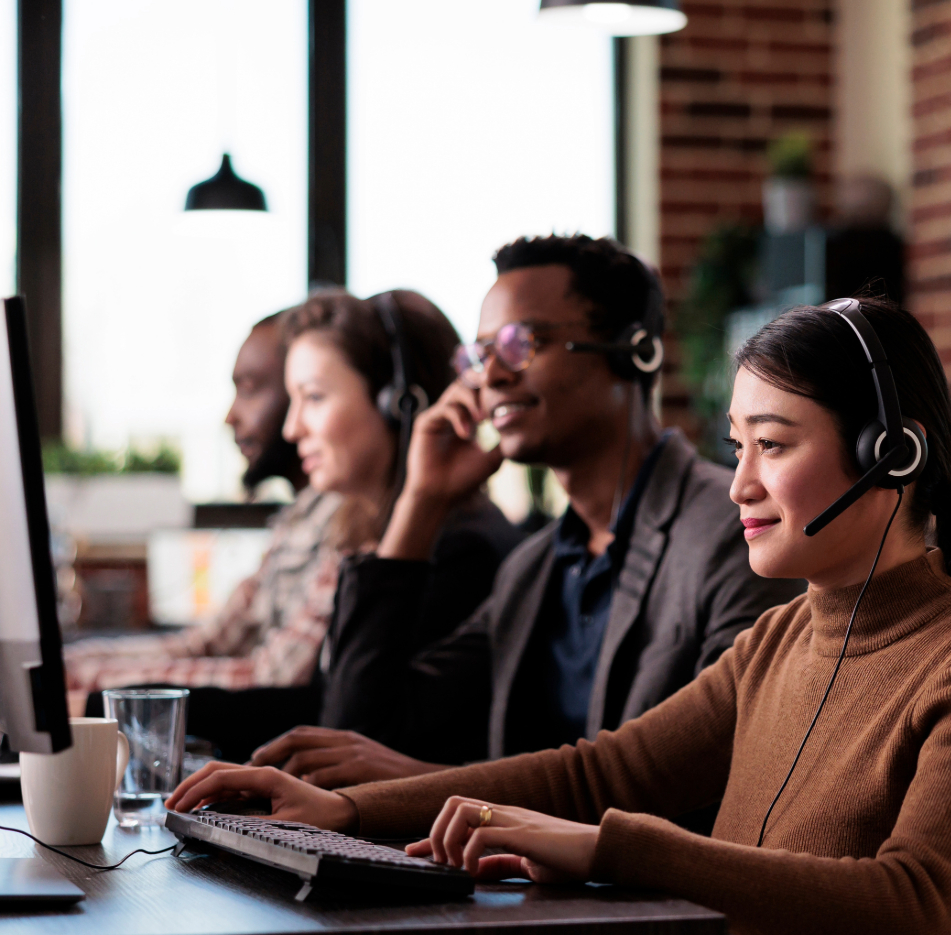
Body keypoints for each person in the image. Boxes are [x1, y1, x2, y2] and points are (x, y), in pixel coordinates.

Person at [172, 296, 951, 935]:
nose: (742, 484)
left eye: (775, 446)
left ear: (889, 454)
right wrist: (345, 810)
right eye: (737, 447)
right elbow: (605, 768)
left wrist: (616, 848)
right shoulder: (780, 640)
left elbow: (909, 915)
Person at [252, 235, 802, 792]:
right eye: (480, 354)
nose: (491, 377)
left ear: (634, 350)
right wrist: (421, 503)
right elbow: (360, 728)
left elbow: (699, 778)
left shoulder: (734, 530)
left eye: (522, 343)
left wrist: (439, 784)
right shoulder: (533, 569)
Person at [71, 290, 523, 759]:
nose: (291, 430)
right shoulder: (355, 528)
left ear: (399, 403)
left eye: (314, 397)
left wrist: (99, 704)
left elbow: (347, 724)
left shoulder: (462, 552)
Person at [65, 310, 343, 718]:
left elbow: (275, 681)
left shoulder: (347, 523)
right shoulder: (298, 519)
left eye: (249, 389)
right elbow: (207, 642)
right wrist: (74, 667)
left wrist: (91, 694)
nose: (230, 416)